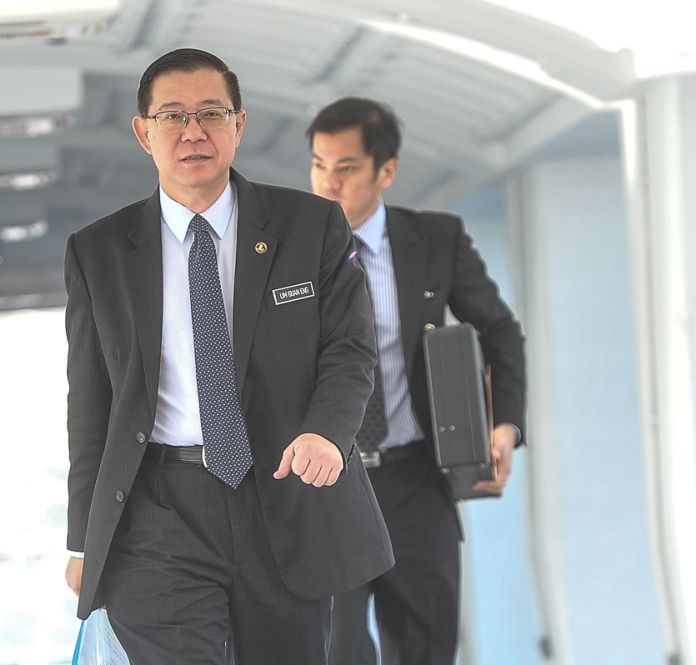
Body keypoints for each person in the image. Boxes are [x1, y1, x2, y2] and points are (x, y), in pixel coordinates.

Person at [63, 50, 394, 665]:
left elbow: (350, 348)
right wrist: (84, 540)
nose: (193, 132)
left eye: (211, 114)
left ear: (239, 125)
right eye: (173, 116)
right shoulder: (98, 252)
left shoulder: (310, 225)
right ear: (143, 132)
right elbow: (90, 406)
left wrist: (326, 431)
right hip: (156, 510)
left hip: (282, 496)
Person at [307, 97, 527, 665]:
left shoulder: (435, 240)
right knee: (334, 648)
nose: (329, 183)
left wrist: (504, 426)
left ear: (386, 171)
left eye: (346, 168)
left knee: (426, 646)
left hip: (417, 480)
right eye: (319, 165)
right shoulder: (285, 251)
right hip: (326, 486)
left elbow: (500, 332)